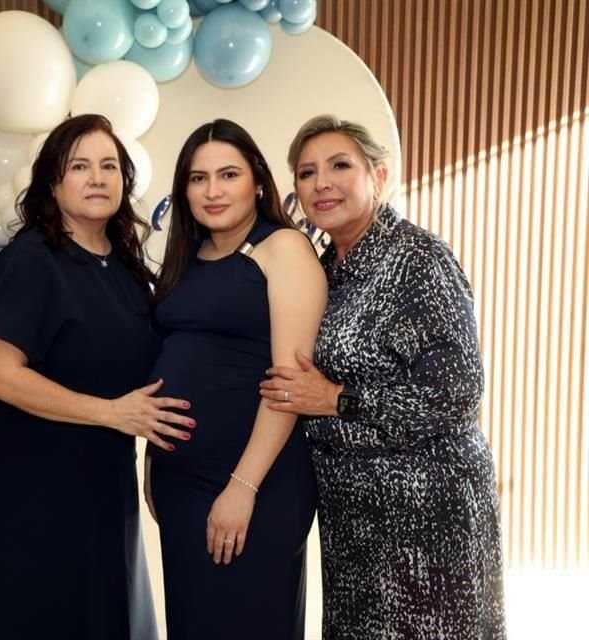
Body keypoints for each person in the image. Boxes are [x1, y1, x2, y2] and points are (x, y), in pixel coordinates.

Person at [0, 114, 194, 640]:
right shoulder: (29, 261)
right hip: (31, 482)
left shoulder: (125, 266)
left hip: (102, 481)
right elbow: (2, 378)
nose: (97, 178)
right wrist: (110, 413)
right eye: (80, 166)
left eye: (108, 166)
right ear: (54, 183)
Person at [261, 114, 506, 638]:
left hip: (428, 511)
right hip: (353, 519)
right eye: (306, 173)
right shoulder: (324, 268)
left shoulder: (418, 257)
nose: (321, 182)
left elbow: (458, 392)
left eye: (339, 165)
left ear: (380, 175)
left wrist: (339, 400)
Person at [146, 119, 327, 640]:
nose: (213, 190)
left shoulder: (283, 249)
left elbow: (289, 385)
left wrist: (241, 488)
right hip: (181, 487)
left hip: (256, 483)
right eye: (198, 178)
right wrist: (155, 465)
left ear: (258, 182)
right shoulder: (187, 259)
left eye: (228, 174)